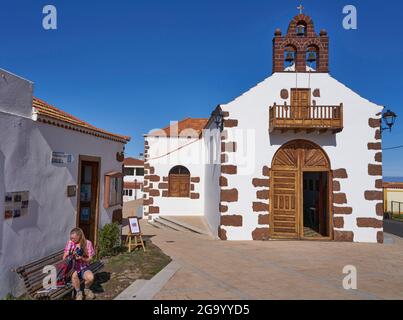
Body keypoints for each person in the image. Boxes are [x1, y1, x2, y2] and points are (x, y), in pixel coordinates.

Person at [63, 228, 96, 300]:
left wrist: (82, 258)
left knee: (91, 278)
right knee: (74, 275)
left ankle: (86, 289)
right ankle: (78, 293)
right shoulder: (70, 242)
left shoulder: (88, 243)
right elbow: (64, 256)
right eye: (71, 238)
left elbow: (90, 258)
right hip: (72, 267)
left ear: (79, 236)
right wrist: (71, 254)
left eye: (73, 238)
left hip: (83, 267)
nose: (72, 240)